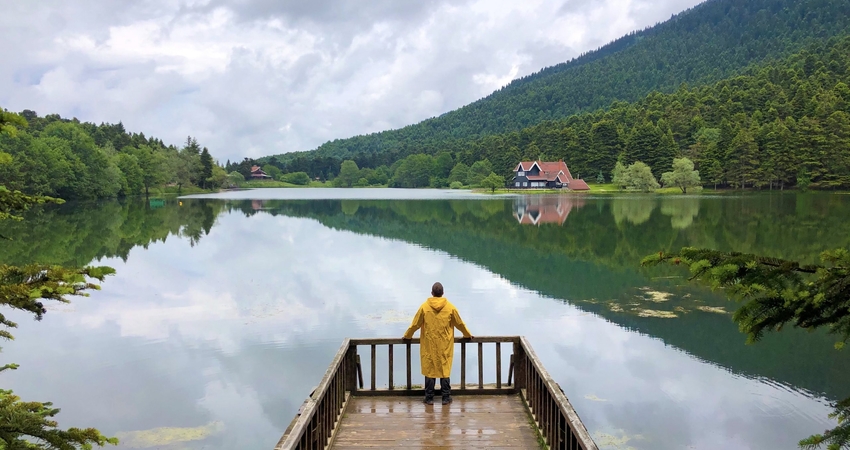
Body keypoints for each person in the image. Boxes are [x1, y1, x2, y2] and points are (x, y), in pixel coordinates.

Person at [403, 282, 473, 405]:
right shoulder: (450, 307)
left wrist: (407, 336)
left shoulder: (424, 307)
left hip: (429, 345)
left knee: (430, 370)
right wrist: (467, 335)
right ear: (442, 293)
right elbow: (460, 324)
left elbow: (415, 325)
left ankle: (429, 398)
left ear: (432, 293)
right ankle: (446, 397)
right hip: (445, 345)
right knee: (444, 370)